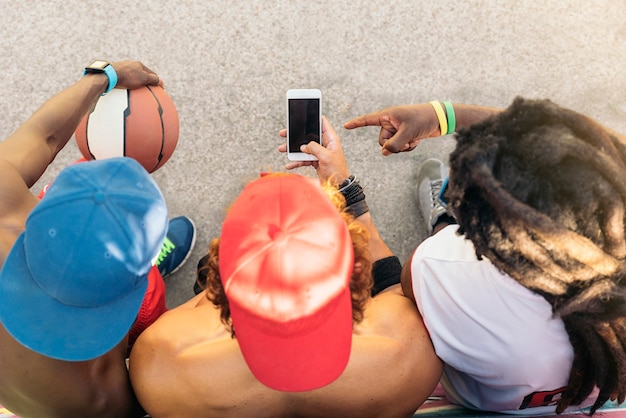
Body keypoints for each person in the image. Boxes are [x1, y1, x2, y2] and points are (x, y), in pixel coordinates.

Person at [128, 116, 443, 418]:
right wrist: (344, 190)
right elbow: (389, 285)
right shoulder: (409, 355)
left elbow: (215, 299)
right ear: (355, 274)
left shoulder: (161, 362)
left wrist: (254, 254)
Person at [344, 98, 626, 415]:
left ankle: (443, 221)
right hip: (602, 396)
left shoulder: (449, 266)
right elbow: (586, 145)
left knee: (412, 302)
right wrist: (443, 116)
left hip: (471, 398)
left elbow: (398, 291)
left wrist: (348, 197)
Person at [0, 60, 195, 418]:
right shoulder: (100, 397)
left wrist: (106, 76)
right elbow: (163, 383)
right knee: (154, 328)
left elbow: (43, 135)